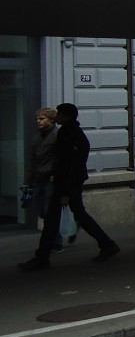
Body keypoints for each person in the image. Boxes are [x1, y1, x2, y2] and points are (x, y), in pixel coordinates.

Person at [18, 103, 120, 271]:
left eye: (59, 114)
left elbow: (68, 163)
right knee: (72, 215)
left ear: (66, 116)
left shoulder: (67, 133)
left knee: (56, 219)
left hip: (66, 183)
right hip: (67, 182)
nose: (57, 116)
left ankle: (42, 257)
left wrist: (64, 190)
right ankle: (107, 244)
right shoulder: (71, 131)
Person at [21, 107, 76, 251]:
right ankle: (51, 242)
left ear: (51, 120)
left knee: (50, 213)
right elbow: (33, 161)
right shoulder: (37, 138)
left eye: (41, 118)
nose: (38, 121)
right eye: (37, 119)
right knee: (43, 212)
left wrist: (57, 177)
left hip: (51, 180)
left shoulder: (57, 135)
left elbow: (63, 159)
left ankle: (55, 244)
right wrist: (28, 180)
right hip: (39, 179)